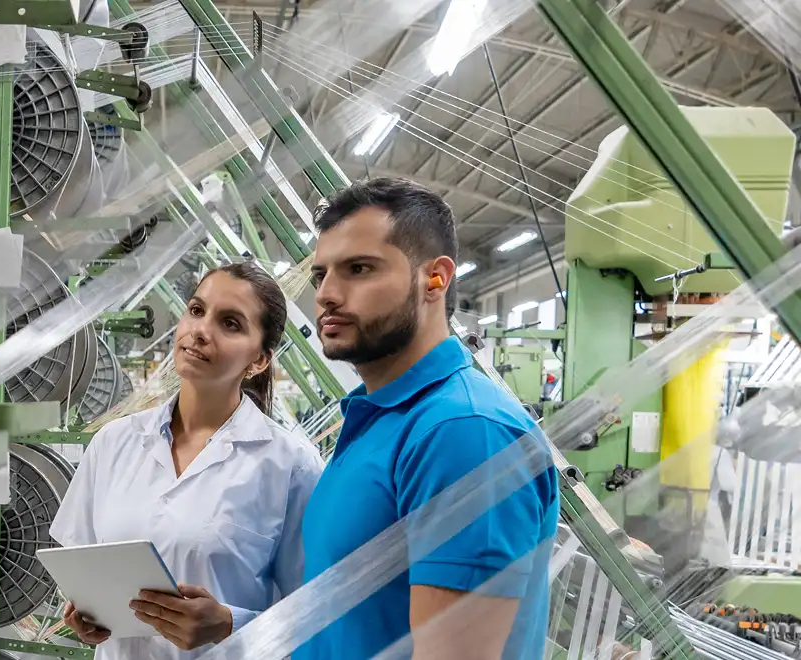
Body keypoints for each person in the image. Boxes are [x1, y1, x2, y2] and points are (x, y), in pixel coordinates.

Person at [298, 177, 559, 659]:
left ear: (434, 277)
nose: (327, 295)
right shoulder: (379, 416)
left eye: (358, 269)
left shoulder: (463, 431)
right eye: (321, 276)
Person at [51, 261, 324, 659]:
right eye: (196, 310)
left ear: (259, 360)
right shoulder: (113, 443)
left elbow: (316, 612)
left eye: (230, 324)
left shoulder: (290, 466)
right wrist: (85, 614)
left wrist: (230, 624)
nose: (200, 331)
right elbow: (82, 569)